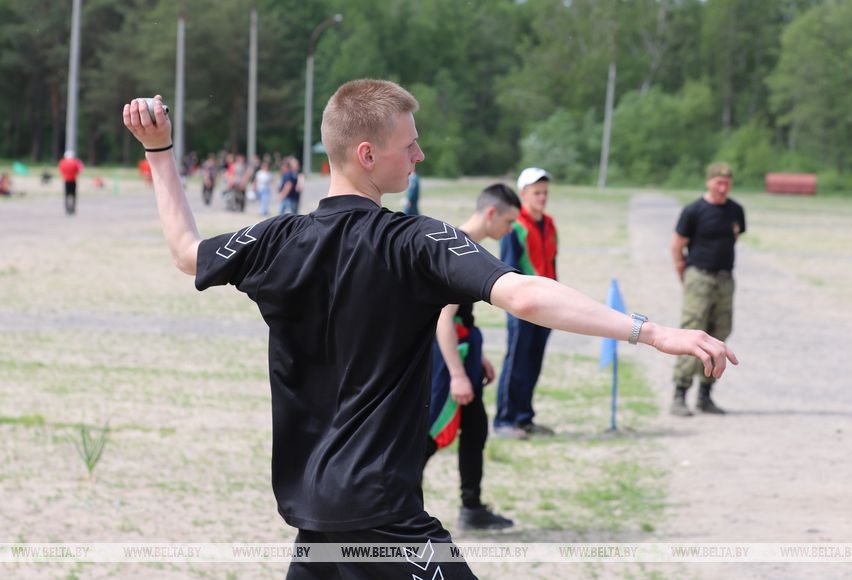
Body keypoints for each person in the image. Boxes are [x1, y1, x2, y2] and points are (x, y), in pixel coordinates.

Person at [123, 83, 736, 579]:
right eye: (410, 146)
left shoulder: (278, 239)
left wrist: (159, 152)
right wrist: (651, 332)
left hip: (315, 513)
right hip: (381, 519)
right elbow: (522, 293)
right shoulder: (413, 240)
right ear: (367, 154)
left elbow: (185, 250)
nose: (420, 156)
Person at [424, 183, 521, 531]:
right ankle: (395, 505)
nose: (509, 230)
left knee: (475, 428)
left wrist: (475, 360)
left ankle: (472, 507)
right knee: (431, 432)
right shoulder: (459, 249)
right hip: (447, 357)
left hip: (464, 352)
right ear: (491, 213)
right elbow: (442, 318)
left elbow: (461, 315)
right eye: (509, 222)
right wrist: (457, 374)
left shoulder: (467, 245)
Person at [670, 162, 746, 416]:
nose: (723, 187)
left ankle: (705, 394)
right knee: (692, 333)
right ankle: (679, 394)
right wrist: (685, 273)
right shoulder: (694, 210)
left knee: (719, 333)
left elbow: (734, 237)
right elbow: (677, 245)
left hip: (725, 279)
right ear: (709, 182)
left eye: (727, 183)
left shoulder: (735, 210)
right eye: (718, 182)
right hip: (699, 276)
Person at [493, 167, 558, 438]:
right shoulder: (515, 226)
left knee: (533, 363)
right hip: (522, 307)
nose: (542, 197)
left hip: (548, 306)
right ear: (523, 195)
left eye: (545, 192)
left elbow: (552, 262)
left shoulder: (550, 223)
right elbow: (507, 270)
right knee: (516, 361)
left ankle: (524, 417)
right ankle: (504, 421)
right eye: (536, 193)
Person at [58, 150, 84, 215]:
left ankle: (67, 209)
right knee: (73, 195)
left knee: (67, 195)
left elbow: (61, 171)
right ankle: (73, 209)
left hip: (66, 180)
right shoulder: (76, 162)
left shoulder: (62, 162)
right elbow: (81, 169)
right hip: (73, 180)